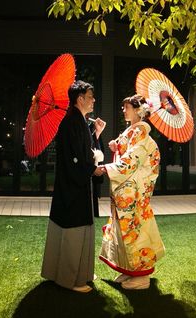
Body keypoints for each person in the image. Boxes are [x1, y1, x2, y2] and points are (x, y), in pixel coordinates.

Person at [41, 80, 106, 293]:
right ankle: (71, 279)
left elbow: (83, 150)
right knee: (74, 231)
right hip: (73, 187)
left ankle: (79, 273)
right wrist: (92, 169)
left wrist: (96, 134)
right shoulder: (72, 122)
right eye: (90, 96)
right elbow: (75, 158)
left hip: (74, 185)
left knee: (77, 229)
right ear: (80, 99)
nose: (93, 100)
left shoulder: (77, 120)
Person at [95, 94, 165, 290]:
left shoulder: (142, 136)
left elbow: (131, 161)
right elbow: (126, 152)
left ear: (138, 110)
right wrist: (116, 146)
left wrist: (106, 167)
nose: (123, 110)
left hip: (134, 193)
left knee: (136, 231)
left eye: (127, 107)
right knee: (123, 231)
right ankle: (129, 269)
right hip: (126, 191)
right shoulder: (133, 132)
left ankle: (142, 276)